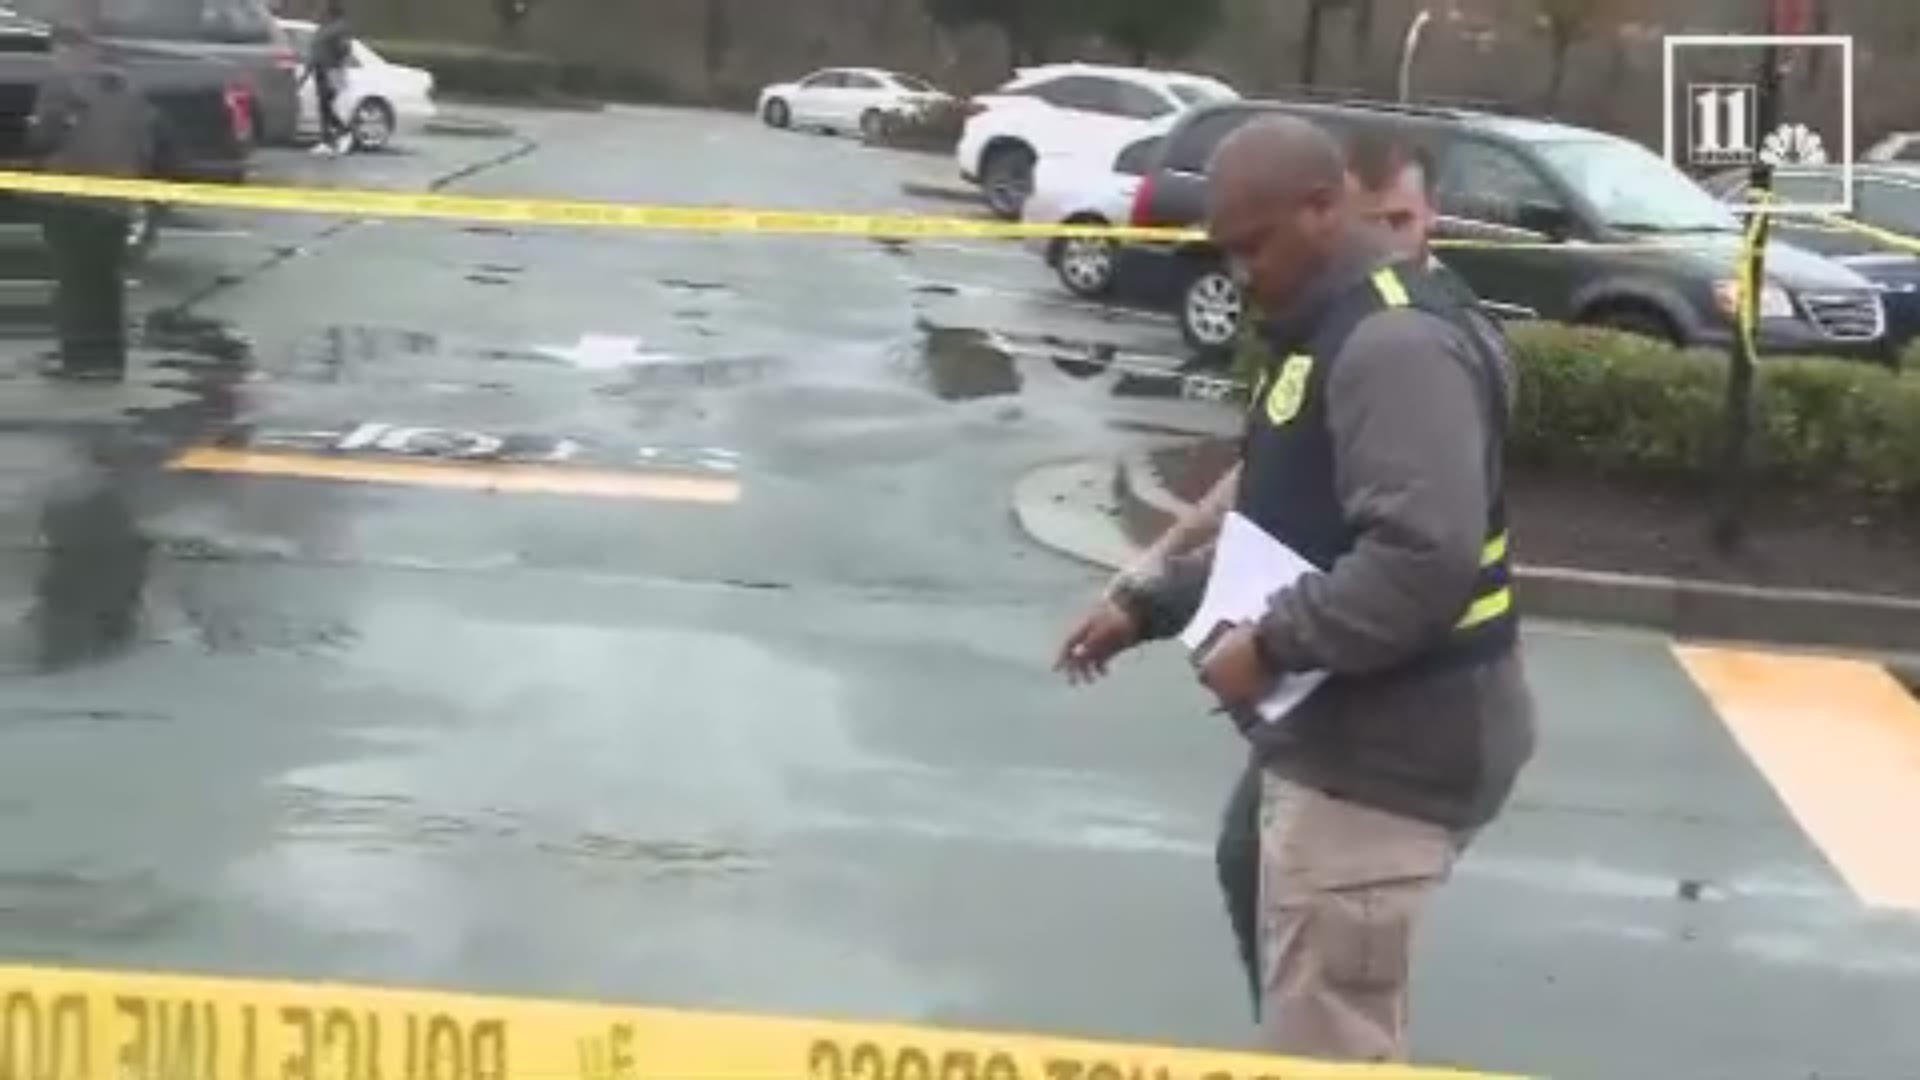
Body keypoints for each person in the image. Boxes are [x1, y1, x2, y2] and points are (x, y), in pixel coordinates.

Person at [1056, 116, 1535, 1063]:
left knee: (1329, 1035)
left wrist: (1272, 644)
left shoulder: (1392, 346)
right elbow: (1292, 534)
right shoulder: (1325, 331)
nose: (1238, 272)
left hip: (1388, 755)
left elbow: (1419, 561)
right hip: (1344, 730)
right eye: (1224, 250)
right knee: (1267, 905)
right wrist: (1152, 606)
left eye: (1255, 243)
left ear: (1326, 209)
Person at [30, 20, 155, 381]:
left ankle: (78, 360)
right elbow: (146, 142)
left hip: (70, 196)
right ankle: (110, 359)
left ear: (71, 49)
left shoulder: (60, 85)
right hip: (117, 196)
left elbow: (43, 137)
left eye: (59, 49)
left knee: (74, 282)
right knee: (107, 281)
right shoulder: (129, 87)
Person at [306, 0, 354, 156]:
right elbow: (316, 50)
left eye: (324, 7)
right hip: (320, 69)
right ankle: (326, 141)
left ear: (332, 10)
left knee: (328, 105)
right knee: (323, 106)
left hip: (332, 70)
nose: (321, 10)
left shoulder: (340, 27)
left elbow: (344, 49)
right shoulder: (324, 27)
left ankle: (345, 132)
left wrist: (338, 65)